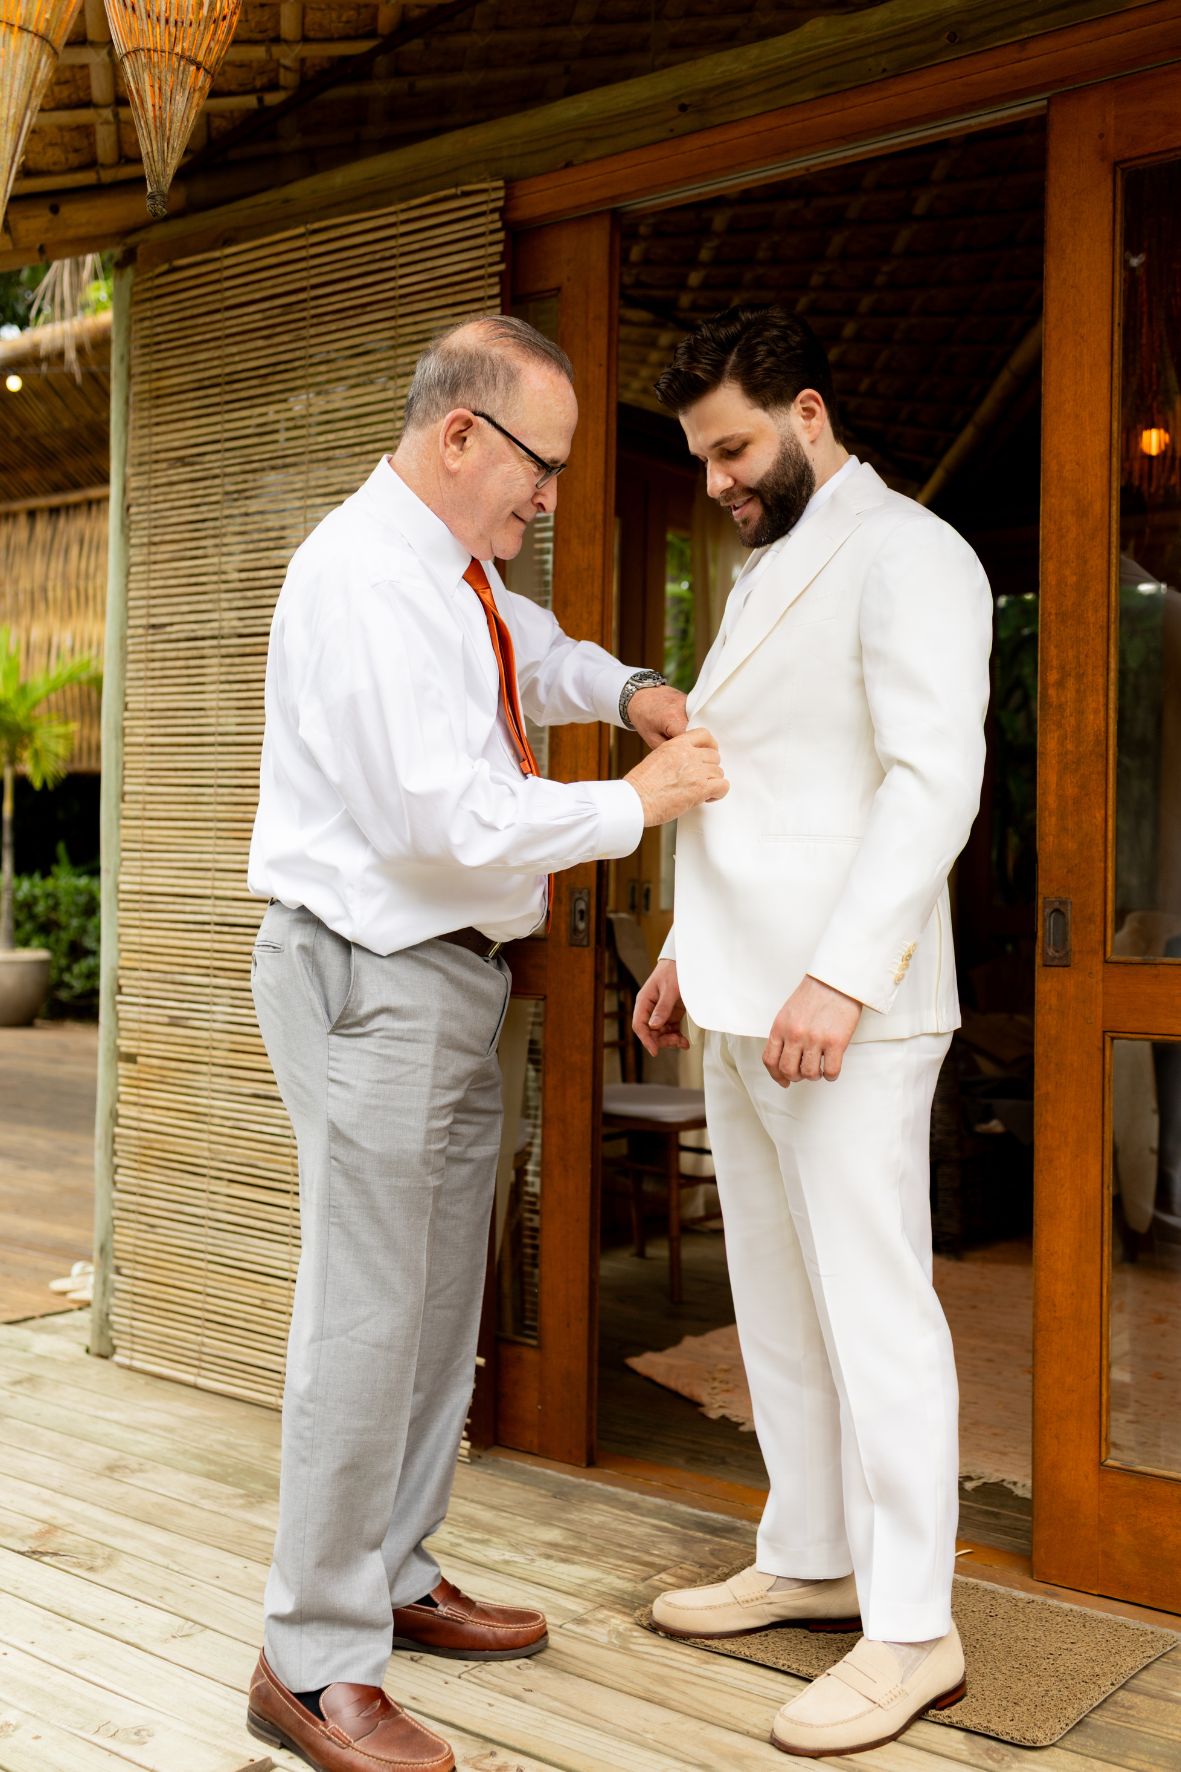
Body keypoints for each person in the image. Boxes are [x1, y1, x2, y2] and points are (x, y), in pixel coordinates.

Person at [244, 314, 727, 1772]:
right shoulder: (361, 578)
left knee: (437, 1307)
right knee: (365, 1316)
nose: (552, 496)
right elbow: (439, 820)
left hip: (452, 983)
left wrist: (629, 691)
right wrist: (637, 802)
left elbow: (536, 652)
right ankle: (309, 1660)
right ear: (460, 434)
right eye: (541, 464)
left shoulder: (456, 579)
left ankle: (391, 1574)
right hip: (371, 976)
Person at [635, 304, 991, 1759]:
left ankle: (912, 1629)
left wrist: (842, 977)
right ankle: (810, 1554)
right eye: (702, 459)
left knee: (876, 1309)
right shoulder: (766, 566)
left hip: (847, 1012)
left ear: (808, 413)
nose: (719, 480)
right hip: (739, 999)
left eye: (732, 449)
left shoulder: (912, 553)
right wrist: (682, 950)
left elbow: (930, 780)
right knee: (774, 1300)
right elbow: (757, 785)